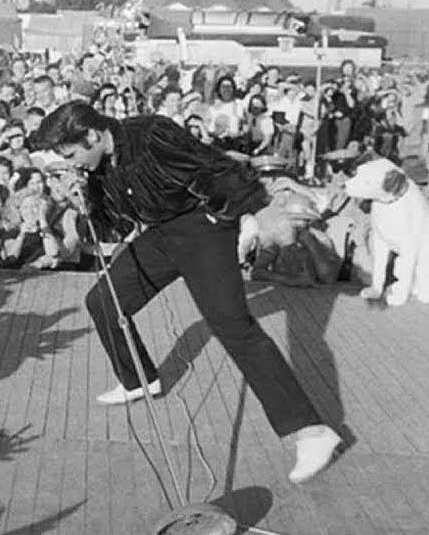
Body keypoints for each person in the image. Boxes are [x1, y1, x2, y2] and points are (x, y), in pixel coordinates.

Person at [32, 101, 342, 484]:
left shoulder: (151, 134)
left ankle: (312, 432)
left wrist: (255, 214)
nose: (74, 163)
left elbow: (218, 168)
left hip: (204, 230)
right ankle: (139, 380)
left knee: (232, 326)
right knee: (103, 300)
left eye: (72, 154)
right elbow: (112, 224)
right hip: (162, 235)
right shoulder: (98, 165)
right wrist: (86, 201)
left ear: (93, 135)